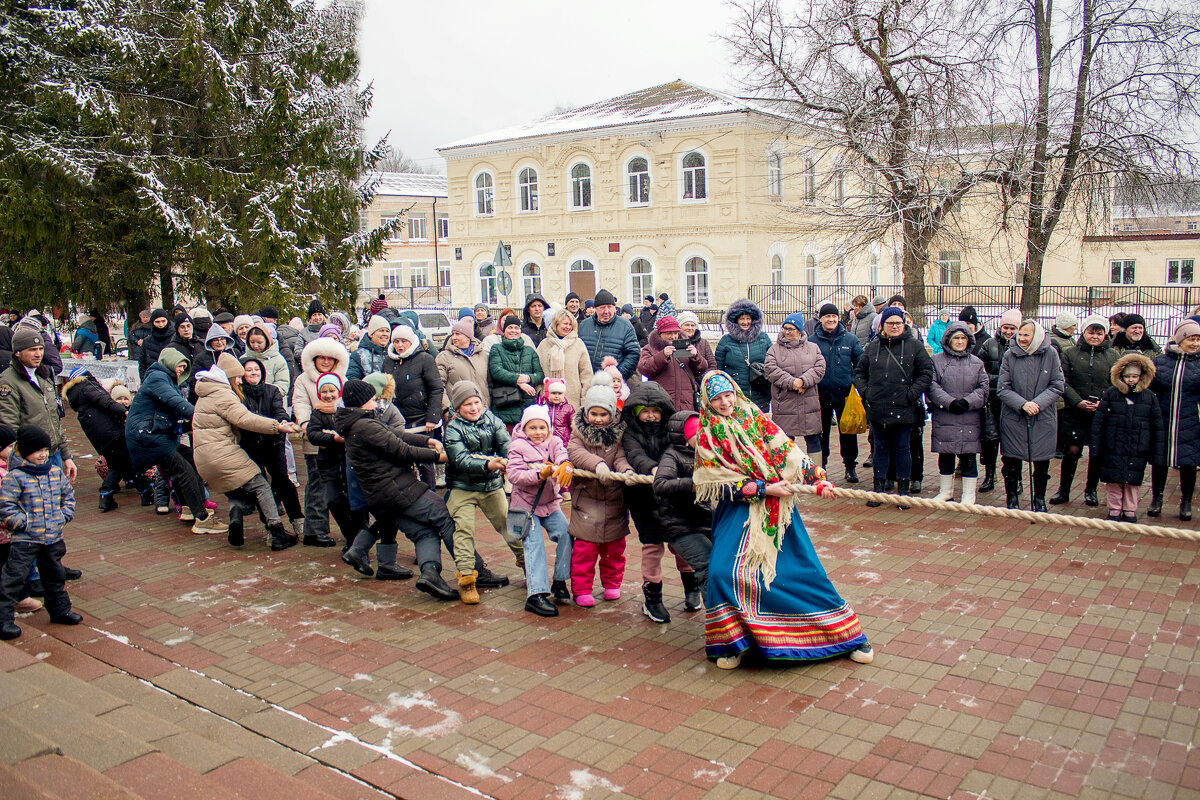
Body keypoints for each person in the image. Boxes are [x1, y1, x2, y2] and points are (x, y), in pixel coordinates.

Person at [693, 370, 872, 669]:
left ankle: (846, 635)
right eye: (717, 398)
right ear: (708, 402)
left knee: (802, 573)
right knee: (722, 573)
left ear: (736, 392)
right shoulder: (707, 434)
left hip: (776, 511)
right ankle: (731, 642)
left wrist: (817, 478)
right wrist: (763, 488)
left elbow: (788, 451)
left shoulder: (756, 418)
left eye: (728, 395)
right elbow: (714, 482)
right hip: (738, 512)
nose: (725, 403)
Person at [336, 380, 459, 601]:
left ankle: (430, 574)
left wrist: (427, 440)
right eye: (372, 399)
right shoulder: (365, 426)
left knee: (424, 532)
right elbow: (401, 450)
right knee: (442, 515)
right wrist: (439, 457)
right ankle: (473, 571)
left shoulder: (360, 423)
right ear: (362, 402)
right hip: (396, 489)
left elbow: (394, 434)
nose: (376, 402)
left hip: (382, 492)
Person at [192, 353, 299, 550]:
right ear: (230, 377)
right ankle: (277, 532)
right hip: (222, 453)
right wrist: (278, 426)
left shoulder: (205, 393)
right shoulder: (223, 394)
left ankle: (235, 518)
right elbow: (245, 419)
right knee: (260, 485)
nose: (241, 381)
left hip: (203, 457)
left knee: (236, 486)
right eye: (238, 377)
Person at [125, 348, 226, 533]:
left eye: (183, 367)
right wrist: (202, 417)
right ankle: (202, 519)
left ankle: (188, 508)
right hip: (149, 435)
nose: (181, 370)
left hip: (156, 433)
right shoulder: (158, 378)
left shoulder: (165, 379)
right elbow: (176, 403)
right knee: (184, 470)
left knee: (190, 460)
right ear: (169, 363)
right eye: (179, 366)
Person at [621, 381, 696, 624]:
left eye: (656, 410)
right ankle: (652, 598)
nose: (651, 416)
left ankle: (692, 587)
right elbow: (634, 454)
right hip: (643, 497)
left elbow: (673, 451)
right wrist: (651, 469)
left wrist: (664, 470)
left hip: (672, 493)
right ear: (635, 411)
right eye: (645, 410)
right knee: (652, 546)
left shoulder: (671, 430)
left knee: (680, 541)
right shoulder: (630, 432)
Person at [444, 381, 523, 604]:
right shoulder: (452, 428)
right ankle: (467, 580)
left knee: (508, 524)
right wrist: (489, 465)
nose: (473, 408)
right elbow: (459, 460)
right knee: (464, 530)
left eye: (476, 402)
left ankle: (527, 562)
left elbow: (506, 443)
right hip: (463, 487)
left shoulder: (492, 419)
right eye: (467, 404)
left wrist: (511, 460)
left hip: (491, 486)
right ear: (458, 408)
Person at [0, 425, 79, 640]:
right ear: (25, 452)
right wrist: (22, 523)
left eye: (45, 449)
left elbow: (68, 496)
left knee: (55, 575)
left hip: (53, 537)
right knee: (14, 578)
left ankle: (60, 610)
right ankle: (3, 619)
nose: (43, 454)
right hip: (25, 539)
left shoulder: (54, 473)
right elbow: (5, 506)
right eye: (37, 450)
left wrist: (63, 516)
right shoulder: (15, 477)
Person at [853, 307, 932, 507]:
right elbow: (860, 373)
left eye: (898, 323)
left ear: (904, 324)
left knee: (902, 448)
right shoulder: (872, 347)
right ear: (883, 326)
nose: (894, 327)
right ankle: (879, 489)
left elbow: (926, 373)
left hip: (904, 407)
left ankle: (903, 492)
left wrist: (912, 393)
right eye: (890, 323)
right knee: (880, 448)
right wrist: (866, 392)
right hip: (878, 407)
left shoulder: (914, 346)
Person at [567, 377, 632, 607]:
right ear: (586, 412)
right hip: (586, 500)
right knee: (585, 550)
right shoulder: (578, 432)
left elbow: (622, 455)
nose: (598, 419)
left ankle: (612, 584)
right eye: (593, 414)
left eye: (603, 414)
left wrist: (625, 470)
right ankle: (582, 588)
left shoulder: (619, 434)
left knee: (614, 548)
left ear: (612, 413)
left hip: (614, 499)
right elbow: (575, 452)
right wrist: (597, 464)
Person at [506, 405, 573, 615]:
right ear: (524, 428)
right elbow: (514, 475)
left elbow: (562, 453)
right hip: (526, 506)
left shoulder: (554, 441)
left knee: (567, 535)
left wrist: (565, 464)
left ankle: (560, 580)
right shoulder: (517, 446)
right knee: (534, 546)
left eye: (542, 427)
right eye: (532, 428)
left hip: (550, 503)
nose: (538, 432)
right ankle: (536, 594)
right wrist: (539, 475)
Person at [1051, 315, 1118, 507]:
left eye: (1099, 333)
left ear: (1105, 334)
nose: (1094, 336)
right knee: (1071, 451)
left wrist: (1103, 403)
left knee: (1096, 453)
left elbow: (1116, 383)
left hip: (1101, 412)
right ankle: (1063, 490)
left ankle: (1091, 490)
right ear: (1084, 332)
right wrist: (1077, 401)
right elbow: (1062, 380)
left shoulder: (1112, 356)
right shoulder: (1070, 353)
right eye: (1091, 332)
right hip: (1076, 411)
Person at [997, 319, 1064, 512]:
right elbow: (1003, 388)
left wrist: (1037, 404)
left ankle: (1040, 499)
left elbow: (1057, 384)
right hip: (1014, 416)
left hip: (1042, 416)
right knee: (1011, 461)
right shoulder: (1010, 355)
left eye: (1027, 335)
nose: (1022, 338)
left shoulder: (1051, 354)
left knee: (1042, 462)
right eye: (1021, 334)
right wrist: (1023, 404)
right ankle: (1012, 498)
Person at [62, 367, 149, 511]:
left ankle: (107, 496)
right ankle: (145, 492)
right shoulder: (87, 386)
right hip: (112, 432)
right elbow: (106, 402)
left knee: (118, 464)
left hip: (100, 438)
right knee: (130, 460)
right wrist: (126, 412)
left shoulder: (77, 397)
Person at [239, 353, 305, 540]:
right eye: (249, 370)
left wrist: (283, 420)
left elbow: (279, 409)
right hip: (250, 446)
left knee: (283, 480)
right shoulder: (238, 394)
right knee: (261, 486)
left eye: (257, 369)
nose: (253, 373)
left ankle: (298, 519)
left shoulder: (272, 391)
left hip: (274, 443)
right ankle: (271, 526)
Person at [292, 336, 350, 546]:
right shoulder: (303, 380)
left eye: (329, 358)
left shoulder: (343, 380)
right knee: (317, 485)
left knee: (340, 485)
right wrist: (308, 426)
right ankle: (315, 530)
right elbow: (300, 404)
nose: (325, 362)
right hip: (316, 440)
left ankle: (349, 528)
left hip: (341, 443)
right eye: (321, 357)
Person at [1092, 354, 1163, 522]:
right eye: (1127, 376)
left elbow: (1157, 425)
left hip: (1138, 445)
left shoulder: (1149, 397)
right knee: (1114, 480)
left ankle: (1130, 509)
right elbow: (1099, 421)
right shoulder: (1111, 394)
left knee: (1132, 481)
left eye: (1134, 376)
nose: (1131, 380)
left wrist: (1156, 451)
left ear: (1141, 377)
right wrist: (1097, 445)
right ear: (1120, 376)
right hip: (1114, 444)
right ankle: (1115, 509)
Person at [0, 328, 76, 483]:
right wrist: (22, 462)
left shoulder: (44, 376)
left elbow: (54, 420)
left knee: (58, 502)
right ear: (18, 353)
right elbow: (8, 426)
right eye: (32, 350)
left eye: (41, 349)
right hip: (30, 458)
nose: (38, 354)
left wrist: (66, 455)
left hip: (52, 454)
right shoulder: (8, 382)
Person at [652, 411, 711, 610]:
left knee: (725, 564)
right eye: (697, 435)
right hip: (680, 526)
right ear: (685, 438)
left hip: (706, 521)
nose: (703, 439)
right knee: (707, 564)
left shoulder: (710, 455)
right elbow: (660, 484)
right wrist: (691, 484)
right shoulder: (672, 455)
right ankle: (717, 617)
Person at [926, 322, 989, 504]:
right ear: (948, 340)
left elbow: (984, 387)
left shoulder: (976, 363)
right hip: (946, 414)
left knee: (969, 455)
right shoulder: (937, 360)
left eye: (963, 338)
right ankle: (946, 491)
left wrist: (967, 402)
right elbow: (932, 385)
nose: (960, 342)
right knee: (945, 454)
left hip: (969, 415)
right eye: (956, 338)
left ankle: (969, 495)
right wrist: (949, 402)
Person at [1148, 320, 1200, 520]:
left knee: (1188, 461)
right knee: (1159, 460)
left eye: (1198, 339)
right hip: (1163, 419)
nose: (1195, 343)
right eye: (1190, 339)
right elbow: (1150, 389)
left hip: (1189, 420)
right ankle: (1157, 499)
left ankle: (1186, 502)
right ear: (1180, 340)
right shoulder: (1161, 361)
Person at [382, 325, 444, 489]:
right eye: (396, 341)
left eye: (403, 341)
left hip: (421, 419)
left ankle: (429, 493)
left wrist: (433, 417)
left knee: (424, 461)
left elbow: (436, 388)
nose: (400, 345)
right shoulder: (388, 361)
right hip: (397, 420)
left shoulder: (424, 359)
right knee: (400, 460)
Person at [765, 312, 827, 463]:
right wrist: (793, 383)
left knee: (813, 439)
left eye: (791, 329)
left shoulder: (813, 348)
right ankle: (787, 473)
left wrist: (804, 381)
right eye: (785, 328)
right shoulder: (774, 350)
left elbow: (820, 367)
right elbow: (771, 369)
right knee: (785, 441)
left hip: (808, 402)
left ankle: (816, 474)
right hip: (785, 403)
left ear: (799, 330)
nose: (787, 332)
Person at [812, 303, 864, 482]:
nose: (831, 319)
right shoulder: (812, 341)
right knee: (821, 432)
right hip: (820, 394)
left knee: (848, 432)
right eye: (827, 316)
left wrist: (855, 383)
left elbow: (861, 363)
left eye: (834, 316)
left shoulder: (850, 339)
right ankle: (822, 466)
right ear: (821, 319)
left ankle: (850, 466)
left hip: (845, 395)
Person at [975, 309, 1020, 493]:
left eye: (1013, 328)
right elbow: (979, 370)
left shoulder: (1021, 347)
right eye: (1006, 328)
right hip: (992, 400)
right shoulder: (989, 344)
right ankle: (989, 476)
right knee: (990, 441)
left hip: (1013, 402)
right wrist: (999, 382)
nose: (1008, 332)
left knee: (1013, 444)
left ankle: (1015, 479)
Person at [637, 316, 707, 412]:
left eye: (676, 333)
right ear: (660, 334)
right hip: (661, 401)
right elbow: (644, 369)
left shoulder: (686, 347)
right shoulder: (650, 348)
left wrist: (696, 356)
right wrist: (662, 356)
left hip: (686, 402)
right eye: (669, 333)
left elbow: (702, 369)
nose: (673, 336)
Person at [715, 299, 773, 411]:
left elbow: (772, 363)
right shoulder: (726, 341)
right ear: (736, 321)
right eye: (742, 319)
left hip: (760, 395)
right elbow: (718, 369)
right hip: (736, 395)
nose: (745, 322)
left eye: (748, 318)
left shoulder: (763, 338)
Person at [488, 315, 544, 428]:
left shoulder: (529, 351)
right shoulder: (496, 349)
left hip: (527, 406)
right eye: (510, 327)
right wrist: (518, 380)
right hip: (505, 405)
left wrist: (528, 378)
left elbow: (539, 374)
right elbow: (496, 371)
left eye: (516, 328)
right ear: (504, 331)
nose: (513, 330)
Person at [536, 309, 593, 411]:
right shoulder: (544, 345)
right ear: (556, 324)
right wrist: (540, 392)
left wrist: (585, 401)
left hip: (572, 403)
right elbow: (536, 371)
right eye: (565, 324)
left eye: (570, 324)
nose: (568, 327)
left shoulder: (578, 344)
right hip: (547, 403)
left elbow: (587, 375)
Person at [577, 290, 640, 380]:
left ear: (615, 308)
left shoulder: (625, 326)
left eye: (609, 307)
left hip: (613, 384)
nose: (606, 311)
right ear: (595, 309)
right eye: (602, 307)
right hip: (588, 381)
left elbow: (633, 353)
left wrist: (618, 374)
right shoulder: (584, 325)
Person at [436, 318, 489, 414]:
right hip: (457, 413)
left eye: (458, 334)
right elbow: (439, 386)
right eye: (453, 334)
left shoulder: (483, 355)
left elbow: (490, 384)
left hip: (483, 411)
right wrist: (447, 408)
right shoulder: (444, 357)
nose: (454, 337)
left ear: (468, 337)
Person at [347, 315, 390, 381]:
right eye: (381, 331)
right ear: (371, 334)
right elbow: (352, 377)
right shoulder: (359, 355)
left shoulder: (393, 354)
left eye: (387, 331)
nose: (385, 334)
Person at [138, 310, 175, 379]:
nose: (161, 325)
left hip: (172, 380)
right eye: (157, 322)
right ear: (152, 322)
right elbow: (142, 364)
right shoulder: (147, 341)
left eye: (163, 321)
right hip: (152, 379)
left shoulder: (175, 338)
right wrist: (144, 380)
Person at [539, 377, 574, 447]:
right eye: (553, 393)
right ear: (547, 393)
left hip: (563, 442)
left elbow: (573, 426)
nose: (556, 396)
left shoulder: (568, 408)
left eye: (559, 393)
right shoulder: (541, 407)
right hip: (544, 441)